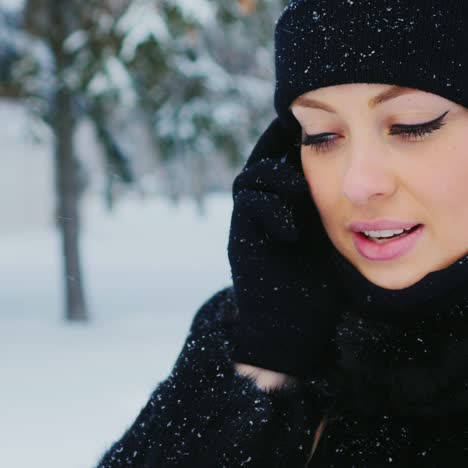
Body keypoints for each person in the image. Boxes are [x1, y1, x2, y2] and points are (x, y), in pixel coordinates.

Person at [96, 0, 468, 466]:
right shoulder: (251, 326)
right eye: (321, 135)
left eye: (413, 125)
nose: (357, 184)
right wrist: (263, 364)